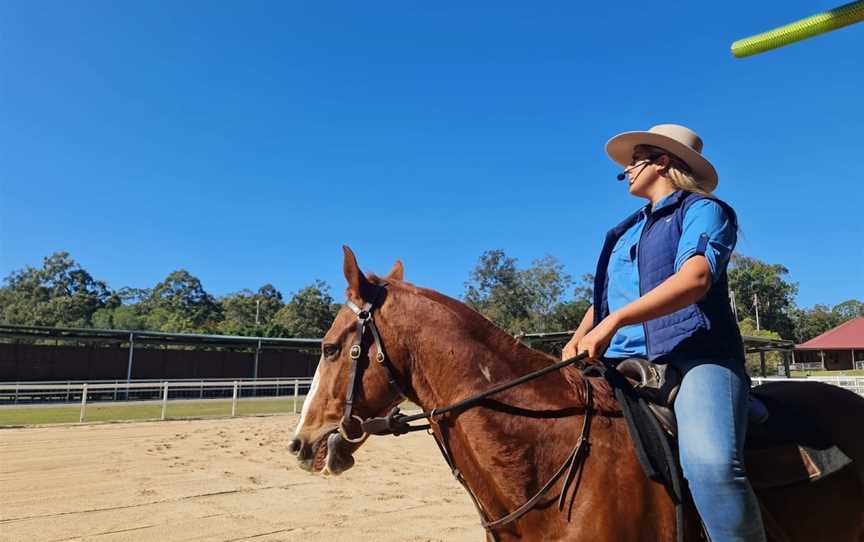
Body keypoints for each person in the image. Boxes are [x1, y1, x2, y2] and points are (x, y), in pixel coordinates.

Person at [561, 124, 766, 542]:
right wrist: (579, 336)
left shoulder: (704, 210)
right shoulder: (626, 233)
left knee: (711, 465)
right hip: (618, 359)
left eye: (633, 162)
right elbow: (608, 300)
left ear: (663, 162)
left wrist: (614, 322)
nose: (626, 173)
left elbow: (695, 278)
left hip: (695, 355)